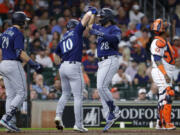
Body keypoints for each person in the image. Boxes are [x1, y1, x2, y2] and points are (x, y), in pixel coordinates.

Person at [53, 8, 97, 132]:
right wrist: (91, 12)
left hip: (63, 67)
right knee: (78, 96)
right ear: (74, 26)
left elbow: (56, 56)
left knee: (65, 94)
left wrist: (60, 65)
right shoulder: (76, 32)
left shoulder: (62, 38)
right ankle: (78, 124)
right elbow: (86, 19)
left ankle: (58, 116)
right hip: (73, 66)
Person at [0, 11, 41, 132]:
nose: (25, 23)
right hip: (13, 64)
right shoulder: (18, 33)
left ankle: (10, 124)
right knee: (22, 93)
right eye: (24, 21)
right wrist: (33, 64)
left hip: (3, 64)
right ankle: (6, 119)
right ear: (21, 21)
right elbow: (20, 53)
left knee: (11, 95)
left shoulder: (4, 33)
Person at [88, 8, 121, 132]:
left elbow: (116, 40)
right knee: (101, 90)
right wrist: (92, 14)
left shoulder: (114, 28)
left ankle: (114, 111)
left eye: (101, 17)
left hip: (110, 59)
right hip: (101, 62)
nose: (99, 19)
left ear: (107, 17)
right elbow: (90, 26)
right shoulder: (100, 28)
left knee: (101, 87)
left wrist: (101, 34)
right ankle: (109, 117)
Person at [150, 19, 176, 130]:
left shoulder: (163, 41)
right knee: (168, 93)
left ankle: (160, 123)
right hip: (160, 70)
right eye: (167, 28)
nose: (168, 30)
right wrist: (165, 74)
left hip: (165, 70)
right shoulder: (158, 42)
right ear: (163, 30)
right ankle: (166, 123)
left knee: (163, 97)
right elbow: (157, 59)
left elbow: (170, 60)